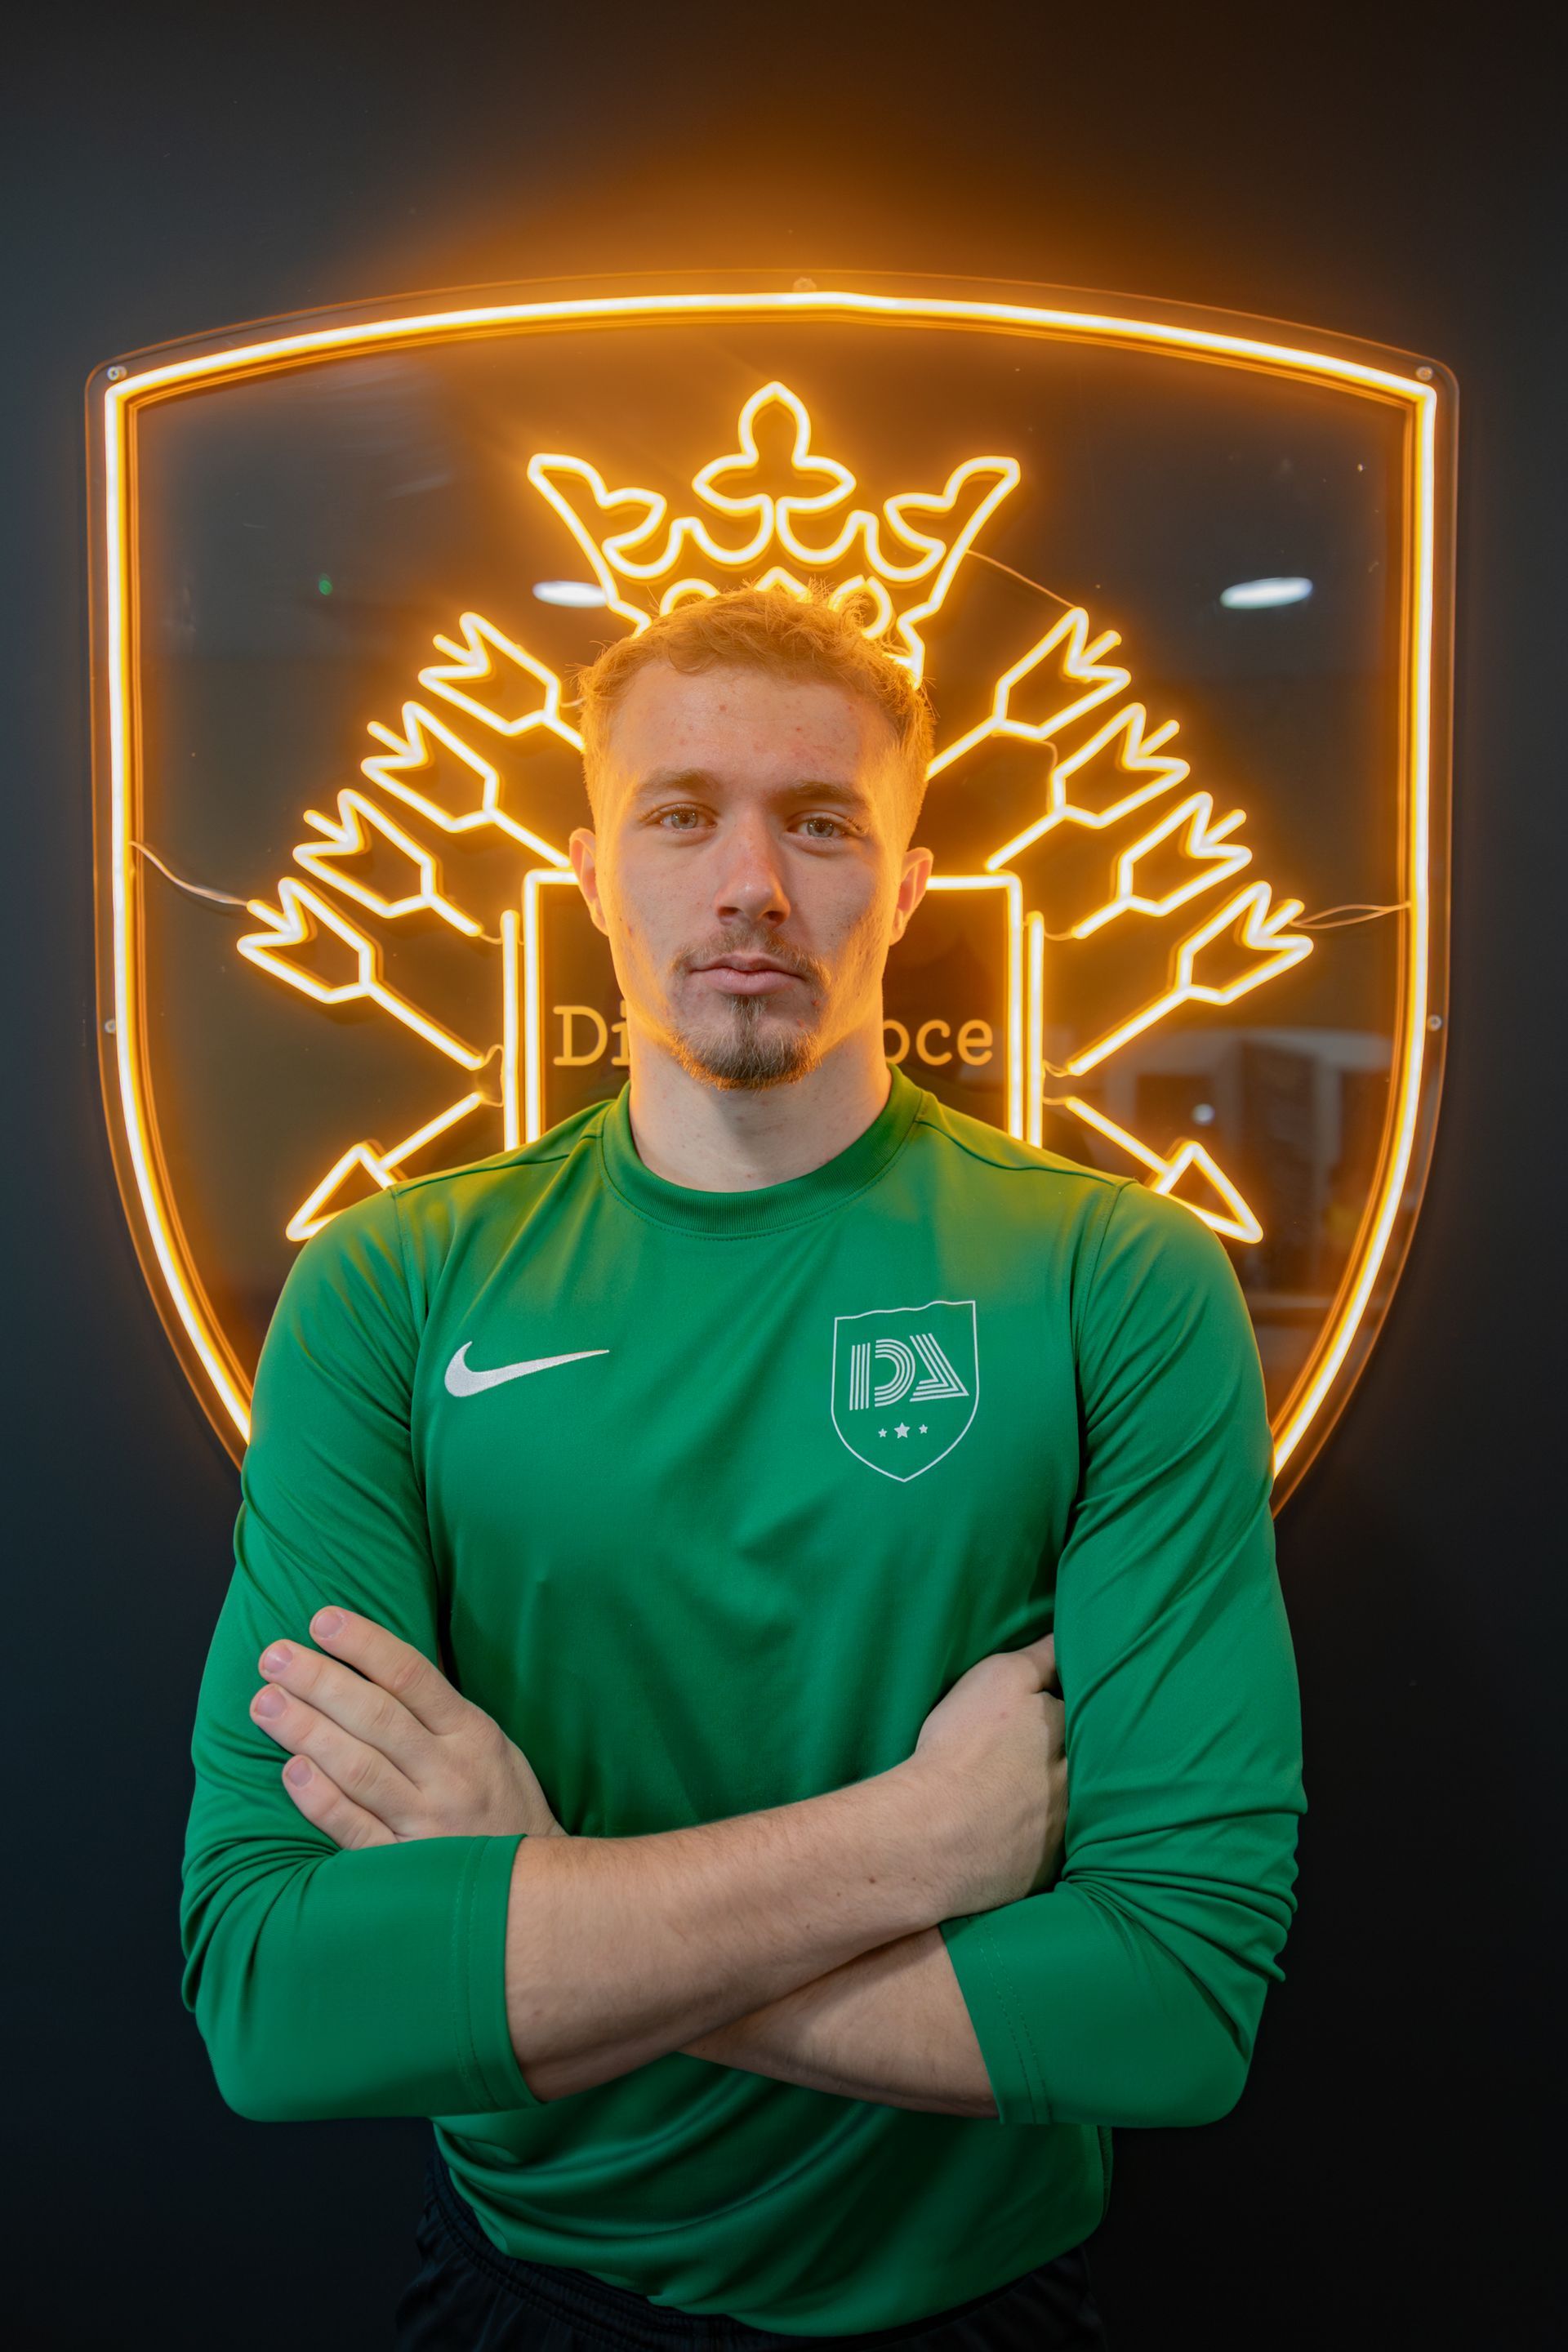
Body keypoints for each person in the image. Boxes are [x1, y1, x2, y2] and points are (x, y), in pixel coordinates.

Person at [180, 585, 1305, 2350]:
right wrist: (907, 1845)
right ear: (587, 872)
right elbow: (279, 2002)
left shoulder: (1115, 1280)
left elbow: (1169, 2009)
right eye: (681, 813)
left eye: (825, 820)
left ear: (910, 888)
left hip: (979, 2303)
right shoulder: (390, 1289)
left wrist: (536, 1894)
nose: (753, 884)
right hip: (527, 2295)